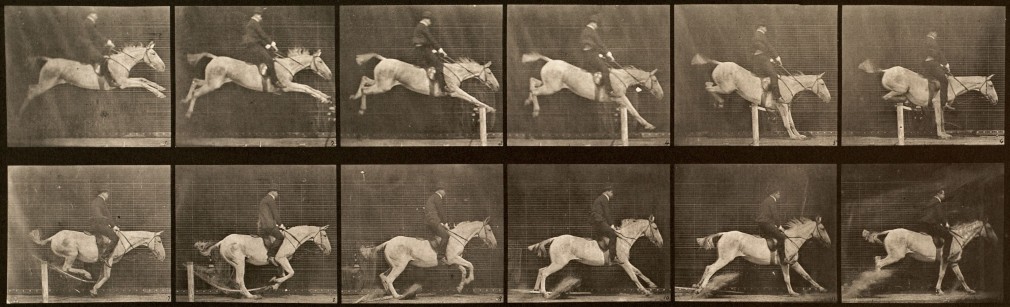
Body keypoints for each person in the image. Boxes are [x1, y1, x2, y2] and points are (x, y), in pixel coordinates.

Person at [241, 7, 283, 89]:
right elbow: (262, 34)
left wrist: (267, 45)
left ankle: (266, 75)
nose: (261, 18)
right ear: (257, 15)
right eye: (261, 16)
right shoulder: (254, 23)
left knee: (270, 55)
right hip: (253, 46)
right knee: (269, 60)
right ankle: (275, 81)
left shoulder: (252, 23)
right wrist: (272, 44)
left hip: (255, 44)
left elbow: (258, 37)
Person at [580, 14, 618, 98]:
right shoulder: (591, 31)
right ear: (594, 23)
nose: (597, 27)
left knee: (602, 66)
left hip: (589, 56)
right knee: (605, 70)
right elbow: (599, 44)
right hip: (591, 56)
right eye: (597, 25)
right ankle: (609, 91)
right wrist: (609, 55)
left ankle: (599, 86)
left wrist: (601, 53)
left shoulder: (585, 31)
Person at [79, 8, 117, 86]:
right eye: (95, 14)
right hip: (87, 47)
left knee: (104, 54)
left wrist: (105, 43)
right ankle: (110, 81)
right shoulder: (88, 23)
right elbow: (96, 35)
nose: (97, 16)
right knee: (104, 60)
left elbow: (94, 37)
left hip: (88, 45)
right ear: (90, 14)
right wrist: (107, 41)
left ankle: (98, 70)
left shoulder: (89, 23)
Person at [412, 11, 449, 93]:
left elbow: (424, 40)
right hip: (423, 50)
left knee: (434, 59)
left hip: (421, 49)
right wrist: (440, 49)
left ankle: (432, 78)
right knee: (439, 64)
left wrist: (433, 49)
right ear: (426, 19)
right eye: (430, 20)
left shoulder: (419, 26)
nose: (430, 22)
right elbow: (431, 38)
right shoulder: (423, 26)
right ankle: (443, 87)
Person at [590, 185, 623, 265]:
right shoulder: (604, 198)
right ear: (606, 191)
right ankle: (613, 258)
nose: (612, 194)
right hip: (599, 222)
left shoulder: (600, 198)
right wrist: (611, 225)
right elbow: (607, 213)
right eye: (611, 192)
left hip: (597, 221)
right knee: (613, 235)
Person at [755, 188, 788, 264]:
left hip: (762, 223)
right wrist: (779, 226)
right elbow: (775, 215)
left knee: (771, 237)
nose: (779, 195)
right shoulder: (772, 201)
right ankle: (783, 259)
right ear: (774, 193)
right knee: (781, 237)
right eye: (779, 194)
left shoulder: (766, 200)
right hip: (766, 223)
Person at [922, 31, 954, 111]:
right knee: (944, 81)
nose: (936, 35)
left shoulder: (925, 41)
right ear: (932, 33)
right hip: (931, 64)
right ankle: (943, 103)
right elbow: (938, 53)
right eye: (935, 33)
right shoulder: (931, 41)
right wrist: (946, 64)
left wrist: (940, 65)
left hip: (927, 64)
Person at [919, 189, 952, 265]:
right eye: (943, 194)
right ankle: (945, 257)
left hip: (924, 225)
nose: (944, 196)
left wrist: (939, 223)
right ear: (938, 194)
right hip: (931, 225)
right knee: (949, 236)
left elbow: (932, 215)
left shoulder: (931, 201)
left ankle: (937, 252)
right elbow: (940, 215)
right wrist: (946, 223)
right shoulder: (937, 203)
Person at [752, 23, 783, 103]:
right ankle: (777, 96)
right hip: (761, 58)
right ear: (761, 27)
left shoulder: (758, 35)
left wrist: (771, 59)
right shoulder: (759, 35)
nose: (766, 29)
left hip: (761, 58)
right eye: (765, 27)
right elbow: (767, 47)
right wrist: (776, 57)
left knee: (773, 73)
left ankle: (768, 95)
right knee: (773, 75)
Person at [90, 187, 119, 267]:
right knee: (115, 238)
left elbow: (105, 215)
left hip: (98, 224)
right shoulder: (99, 202)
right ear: (103, 193)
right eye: (107, 193)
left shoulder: (98, 201)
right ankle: (104, 257)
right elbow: (99, 216)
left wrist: (112, 225)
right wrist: (112, 225)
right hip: (98, 225)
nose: (108, 195)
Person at [258, 184, 285, 266]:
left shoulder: (264, 200)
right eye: (277, 192)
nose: (278, 194)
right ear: (272, 192)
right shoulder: (270, 199)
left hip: (263, 226)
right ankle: (271, 255)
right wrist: (280, 224)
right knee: (281, 237)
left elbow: (267, 215)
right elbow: (275, 213)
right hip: (268, 226)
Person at [423, 182, 451, 261]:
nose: (445, 193)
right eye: (444, 190)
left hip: (431, 221)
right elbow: (440, 211)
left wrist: (441, 222)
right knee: (446, 236)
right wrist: (445, 223)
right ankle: (440, 256)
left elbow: (434, 211)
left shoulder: (432, 197)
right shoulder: (437, 197)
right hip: (433, 221)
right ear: (440, 190)